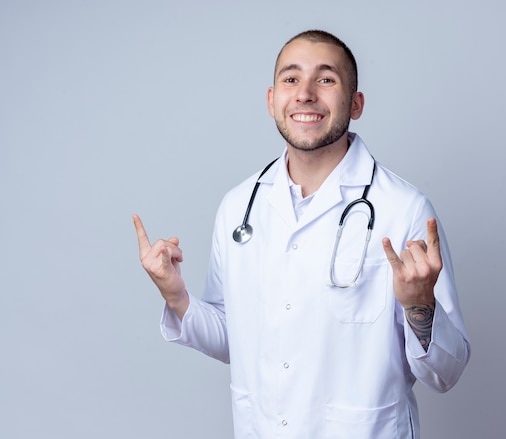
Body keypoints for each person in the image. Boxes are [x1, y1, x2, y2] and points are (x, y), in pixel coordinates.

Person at [133, 29, 470, 439]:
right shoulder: (240, 207)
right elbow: (234, 339)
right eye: (291, 79)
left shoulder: (404, 210)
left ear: (357, 103)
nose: (305, 93)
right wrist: (177, 297)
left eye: (326, 79)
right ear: (271, 99)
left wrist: (421, 306)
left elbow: (446, 373)